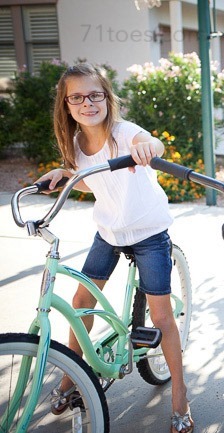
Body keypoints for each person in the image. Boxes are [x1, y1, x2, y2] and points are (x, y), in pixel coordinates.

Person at [36, 63, 193, 433]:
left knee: (162, 317)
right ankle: (72, 376)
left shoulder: (124, 133)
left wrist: (148, 149)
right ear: (66, 105)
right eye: (77, 98)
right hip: (108, 232)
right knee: (80, 302)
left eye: (95, 95)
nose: (87, 103)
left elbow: (150, 142)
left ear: (107, 97)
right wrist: (66, 175)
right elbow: (92, 181)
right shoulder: (77, 144)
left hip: (149, 232)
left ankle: (180, 392)